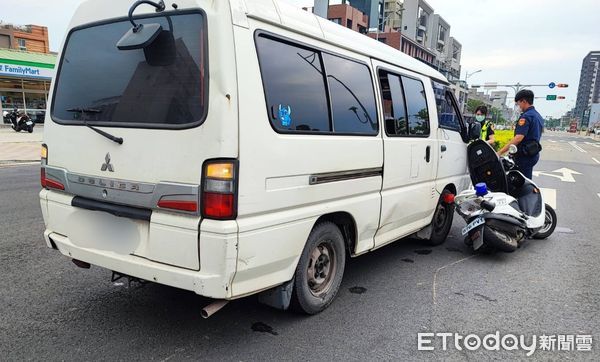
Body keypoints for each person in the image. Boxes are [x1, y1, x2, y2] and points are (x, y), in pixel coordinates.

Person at [498, 89, 543, 179]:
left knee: (521, 183)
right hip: (533, 153)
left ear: (524, 101)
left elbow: (518, 138)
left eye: (518, 103)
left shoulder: (526, 116)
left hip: (524, 156)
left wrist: (500, 152)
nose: (518, 106)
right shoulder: (538, 116)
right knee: (526, 179)